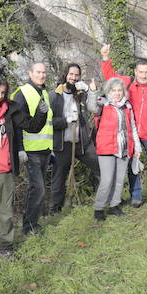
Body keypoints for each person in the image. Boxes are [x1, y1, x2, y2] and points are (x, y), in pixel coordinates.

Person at [0, 71, 47, 267]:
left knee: (6, 215)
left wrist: (41, 112)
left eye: (3, 93)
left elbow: (31, 126)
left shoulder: (11, 110)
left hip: (5, 172)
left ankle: (6, 249)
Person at [100, 45, 147, 207]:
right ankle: (136, 196)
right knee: (133, 167)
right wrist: (105, 58)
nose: (144, 75)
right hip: (131, 134)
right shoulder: (128, 83)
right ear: (135, 72)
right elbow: (110, 77)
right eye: (141, 72)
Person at [51, 64, 100, 213]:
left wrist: (91, 91)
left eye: (76, 75)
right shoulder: (53, 96)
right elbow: (48, 122)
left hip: (82, 142)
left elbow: (95, 109)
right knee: (59, 178)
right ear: (65, 75)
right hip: (63, 143)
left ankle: (103, 200)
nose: (74, 77)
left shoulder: (80, 94)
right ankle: (55, 210)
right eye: (71, 74)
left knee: (101, 167)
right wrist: (65, 120)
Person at [13, 61, 54, 235]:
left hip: (44, 149)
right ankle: (29, 227)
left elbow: (47, 124)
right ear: (30, 73)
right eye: (38, 72)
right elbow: (18, 123)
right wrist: (20, 148)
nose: (42, 75)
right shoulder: (22, 93)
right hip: (30, 151)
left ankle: (32, 224)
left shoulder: (43, 91)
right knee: (38, 189)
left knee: (38, 189)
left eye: (44, 72)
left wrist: (50, 149)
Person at [91, 77, 141, 220]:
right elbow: (92, 107)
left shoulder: (127, 106)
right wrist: (93, 92)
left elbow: (132, 127)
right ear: (108, 91)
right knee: (107, 180)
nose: (117, 93)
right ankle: (99, 208)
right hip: (106, 147)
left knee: (119, 179)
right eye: (114, 90)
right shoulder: (103, 104)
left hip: (123, 147)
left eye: (120, 90)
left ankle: (114, 205)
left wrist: (137, 147)